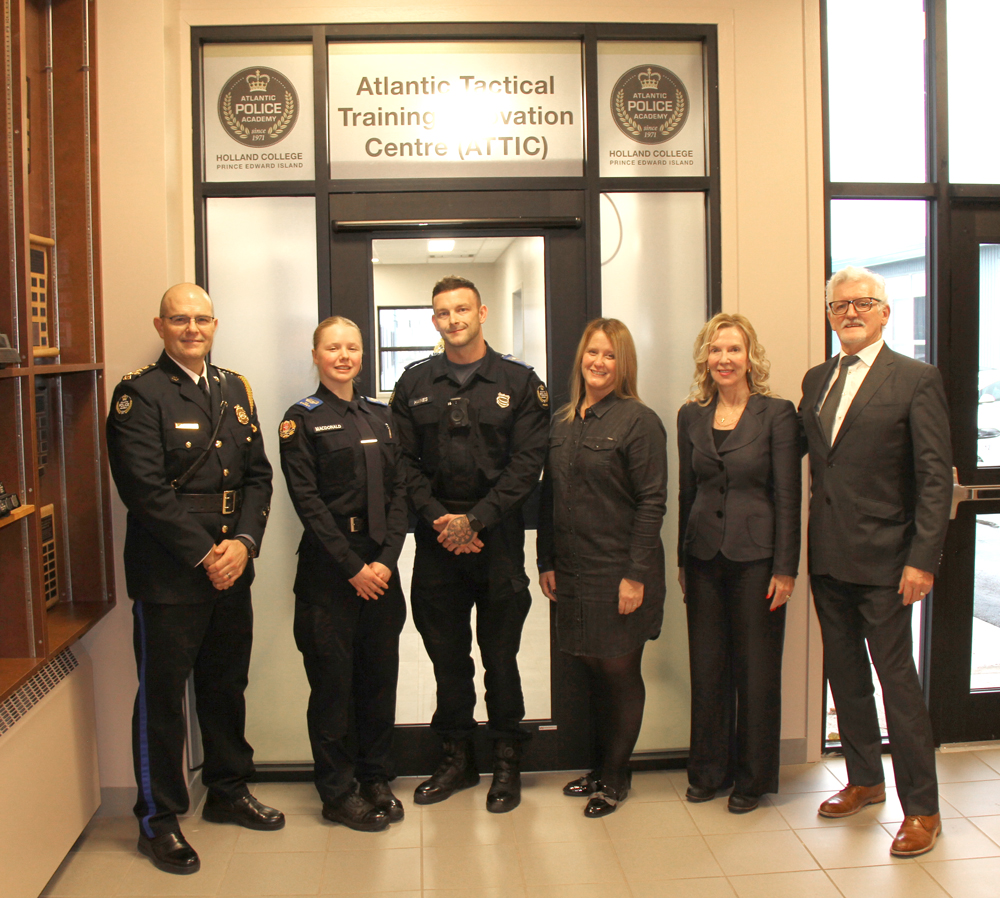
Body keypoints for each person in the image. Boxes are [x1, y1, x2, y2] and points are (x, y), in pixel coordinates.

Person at [106, 283, 283, 876]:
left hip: (234, 565)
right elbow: (145, 492)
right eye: (179, 319)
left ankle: (229, 791)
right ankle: (158, 818)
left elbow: (259, 476)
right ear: (160, 326)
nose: (191, 329)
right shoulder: (139, 394)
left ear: (215, 324)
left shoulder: (235, 388)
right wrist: (208, 553)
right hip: (171, 574)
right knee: (162, 699)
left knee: (226, 684)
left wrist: (245, 544)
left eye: (201, 319)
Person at [800, 266, 952, 857]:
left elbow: (936, 479)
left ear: (885, 312)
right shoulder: (817, 380)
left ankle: (923, 809)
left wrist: (923, 560)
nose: (851, 313)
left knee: (898, 684)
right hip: (829, 560)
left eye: (863, 303)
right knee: (846, 678)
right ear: (831, 316)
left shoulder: (914, 378)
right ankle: (864, 778)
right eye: (840, 306)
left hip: (890, 564)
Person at [391, 275, 549, 813]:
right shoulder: (414, 383)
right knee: (446, 659)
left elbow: (528, 465)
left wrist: (475, 521)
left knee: (500, 657)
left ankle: (507, 761)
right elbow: (402, 466)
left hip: (498, 542)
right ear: (433, 320)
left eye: (461, 309)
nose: (452, 319)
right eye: (441, 312)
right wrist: (442, 521)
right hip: (438, 547)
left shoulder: (520, 381)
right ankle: (456, 759)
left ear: (481, 312)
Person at [278, 316, 408, 832]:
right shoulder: (300, 420)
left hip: (382, 565)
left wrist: (386, 560)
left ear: (362, 354)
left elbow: (401, 494)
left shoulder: (383, 416)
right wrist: (354, 567)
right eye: (333, 348)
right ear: (315, 355)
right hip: (332, 571)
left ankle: (376, 777)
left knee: (379, 681)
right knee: (332, 688)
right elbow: (307, 503)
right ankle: (337, 792)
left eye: (352, 347)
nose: (343, 356)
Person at [537, 318, 667, 817]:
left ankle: (615, 777)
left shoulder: (639, 421)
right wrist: (546, 558)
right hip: (572, 568)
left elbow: (652, 502)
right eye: (593, 353)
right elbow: (550, 494)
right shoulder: (564, 421)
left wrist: (634, 575)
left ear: (624, 364)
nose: (599, 363)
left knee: (619, 670)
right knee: (590, 669)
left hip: (619, 569)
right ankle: (600, 766)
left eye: (611, 355)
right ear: (581, 359)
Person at [677, 313, 800, 814]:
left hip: (758, 562)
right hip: (704, 557)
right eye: (715, 350)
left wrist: (786, 568)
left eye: (733, 349)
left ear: (750, 357)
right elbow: (687, 491)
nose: (724, 359)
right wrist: (682, 561)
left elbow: (790, 496)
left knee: (756, 672)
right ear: (705, 359)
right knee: (707, 669)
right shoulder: (691, 414)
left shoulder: (777, 413)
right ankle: (708, 771)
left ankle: (751, 780)